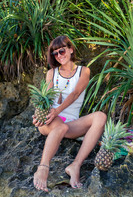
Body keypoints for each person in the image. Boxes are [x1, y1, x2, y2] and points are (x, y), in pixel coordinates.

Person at [33, 35, 107, 192]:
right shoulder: (51, 73)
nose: (59, 55)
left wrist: (57, 111)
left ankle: (75, 165)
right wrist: (38, 114)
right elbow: (45, 98)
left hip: (70, 124)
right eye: (55, 53)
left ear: (71, 49)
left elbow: (76, 93)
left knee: (100, 116)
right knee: (60, 127)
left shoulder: (84, 71)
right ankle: (43, 167)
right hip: (50, 121)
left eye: (62, 51)